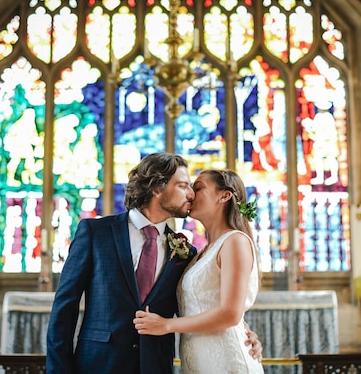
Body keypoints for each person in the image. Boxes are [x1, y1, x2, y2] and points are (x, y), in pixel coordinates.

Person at [46, 153, 262, 374]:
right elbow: (65, 306)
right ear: (157, 188)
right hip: (98, 364)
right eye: (183, 186)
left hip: (155, 365)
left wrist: (242, 330)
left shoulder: (186, 253)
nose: (190, 195)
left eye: (195, 188)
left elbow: (197, 303)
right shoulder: (95, 233)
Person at [134, 169, 264, 374]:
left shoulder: (235, 241)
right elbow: (205, 302)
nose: (191, 194)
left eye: (199, 188)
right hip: (199, 361)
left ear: (225, 195)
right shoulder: (199, 253)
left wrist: (167, 325)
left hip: (227, 361)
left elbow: (230, 313)